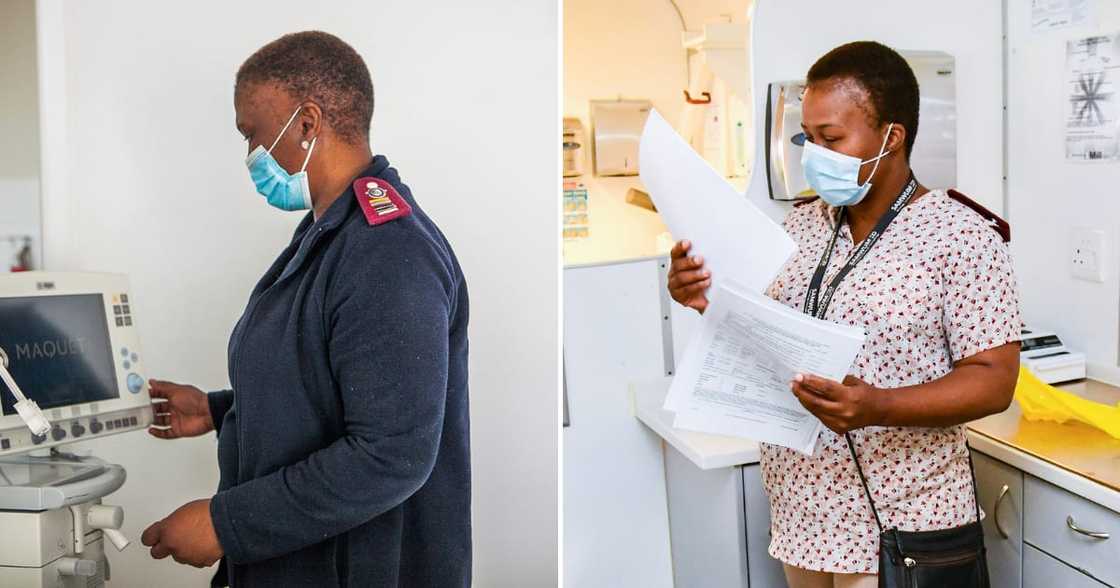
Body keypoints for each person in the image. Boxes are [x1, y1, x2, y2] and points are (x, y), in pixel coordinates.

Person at [667, 41, 1022, 588]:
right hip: (803, 513)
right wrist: (704, 299)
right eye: (809, 139)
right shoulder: (803, 226)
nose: (815, 154)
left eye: (832, 139)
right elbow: (769, 335)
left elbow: (994, 382)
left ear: (892, 136)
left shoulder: (962, 236)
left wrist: (877, 404)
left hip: (902, 522)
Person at [138, 31, 471, 588]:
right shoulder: (329, 234)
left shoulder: (387, 252)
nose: (250, 155)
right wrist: (221, 411)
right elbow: (332, 386)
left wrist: (226, 525)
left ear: (307, 123)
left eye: (253, 134)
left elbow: (390, 455)